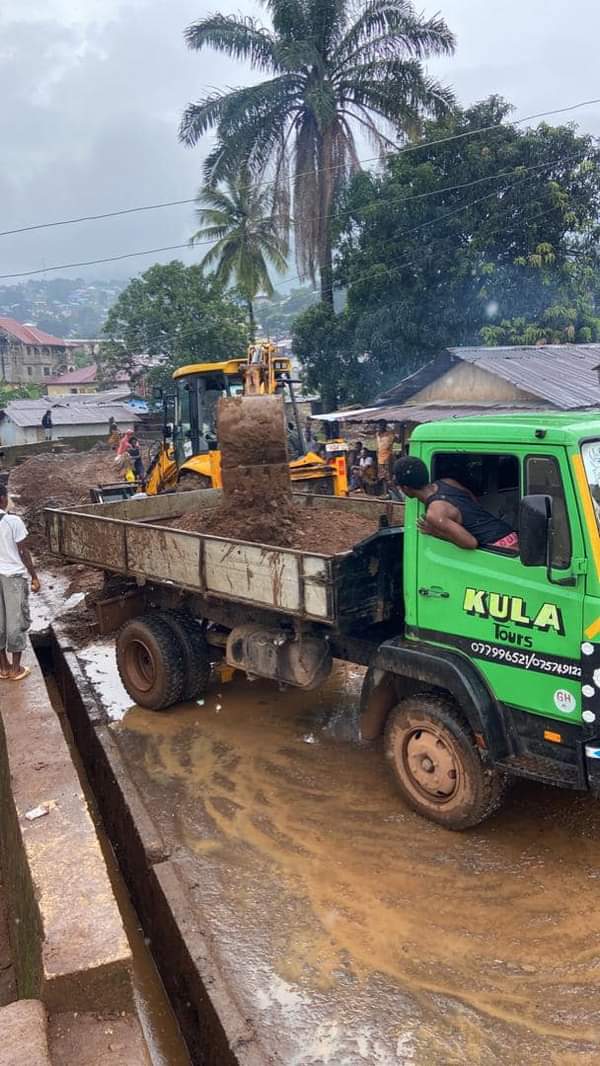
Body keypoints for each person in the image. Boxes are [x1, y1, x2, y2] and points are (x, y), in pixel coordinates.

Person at [393, 456, 519, 552]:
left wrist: (434, 531)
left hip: (498, 546)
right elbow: (473, 501)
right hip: (508, 533)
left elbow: (470, 543)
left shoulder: (435, 514)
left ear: (405, 488)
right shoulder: (448, 482)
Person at [0, 486, 40, 681]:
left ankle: (3, 667)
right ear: (2, 499)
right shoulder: (12, 521)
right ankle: (16, 669)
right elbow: (23, 552)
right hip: (13, 577)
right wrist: (34, 576)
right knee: (16, 622)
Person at [375, 420, 397, 487]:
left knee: (388, 478)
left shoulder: (390, 435)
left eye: (381, 426)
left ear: (384, 426)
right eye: (378, 426)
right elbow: (378, 447)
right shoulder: (377, 435)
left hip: (387, 458)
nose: (379, 428)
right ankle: (385, 492)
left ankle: (394, 491)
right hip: (380, 459)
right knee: (382, 477)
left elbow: (397, 441)